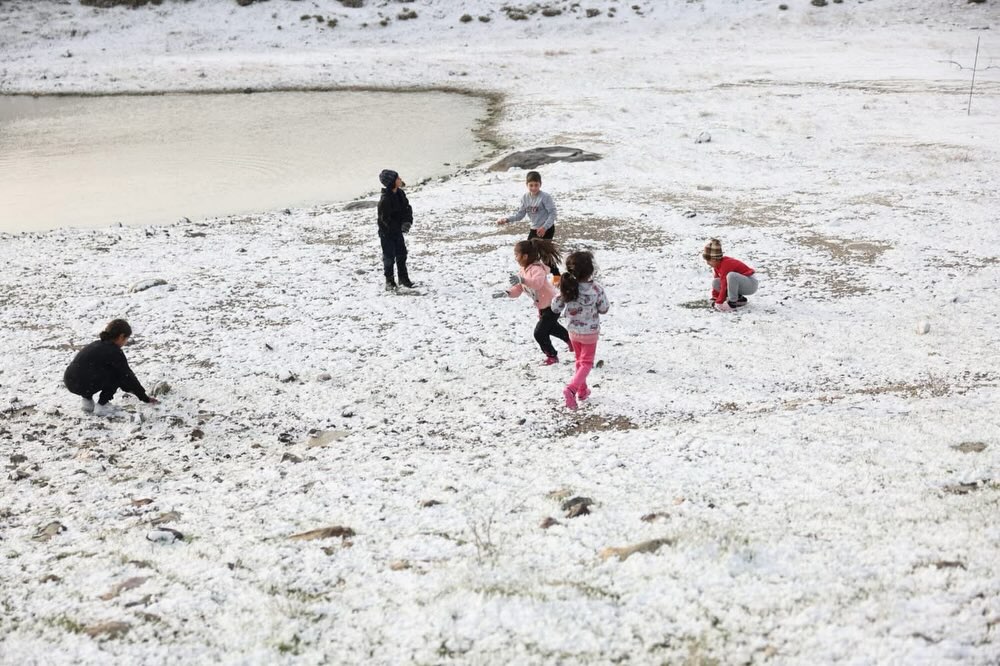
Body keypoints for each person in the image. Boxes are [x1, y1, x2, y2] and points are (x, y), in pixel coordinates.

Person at [493, 239, 572, 365]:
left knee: (539, 333)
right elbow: (518, 289)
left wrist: (523, 280)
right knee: (551, 328)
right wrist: (507, 293)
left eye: (516, 255)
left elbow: (537, 284)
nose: (515, 258)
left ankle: (552, 355)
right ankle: (571, 340)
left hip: (553, 304)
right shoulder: (523, 271)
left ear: (525, 256)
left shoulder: (537, 269)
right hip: (542, 306)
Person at [550, 251, 610, 410]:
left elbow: (555, 308)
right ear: (591, 270)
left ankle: (582, 391)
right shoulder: (596, 289)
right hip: (590, 332)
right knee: (586, 363)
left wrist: (562, 294)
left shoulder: (568, 288)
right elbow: (604, 308)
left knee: (579, 361)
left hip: (573, 332)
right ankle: (571, 389)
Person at [63, 319, 158, 416]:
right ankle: (102, 406)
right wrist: (144, 398)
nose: (125, 343)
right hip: (84, 384)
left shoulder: (96, 344)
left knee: (90, 370)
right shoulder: (114, 351)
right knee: (117, 374)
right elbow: (128, 377)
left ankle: (87, 403)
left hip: (70, 381)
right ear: (121, 336)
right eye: (126, 339)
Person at [496, 170, 560, 279]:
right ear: (527, 185)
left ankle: (557, 276)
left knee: (545, 255)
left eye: (536, 185)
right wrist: (507, 219)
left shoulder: (545, 197)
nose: (534, 188)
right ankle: (529, 274)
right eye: (531, 185)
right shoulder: (525, 198)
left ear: (540, 184)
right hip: (534, 229)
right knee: (528, 253)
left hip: (547, 228)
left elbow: (553, 214)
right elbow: (520, 215)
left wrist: (544, 227)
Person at [377, 168, 414, 291]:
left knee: (402, 254)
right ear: (392, 181)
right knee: (389, 257)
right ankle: (389, 281)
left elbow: (407, 209)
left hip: (398, 231)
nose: (400, 179)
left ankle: (403, 279)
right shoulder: (385, 199)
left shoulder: (400, 194)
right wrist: (397, 228)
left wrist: (407, 222)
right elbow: (385, 220)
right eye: (398, 178)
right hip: (386, 233)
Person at [703, 238, 758, 312]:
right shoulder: (717, 266)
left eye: (708, 260)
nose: (707, 263)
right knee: (716, 282)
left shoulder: (726, 264)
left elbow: (724, 284)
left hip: (751, 284)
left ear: (714, 259)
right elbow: (720, 282)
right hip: (741, 283)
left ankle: (732, 303)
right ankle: (739, 299)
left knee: (731, 276)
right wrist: (715, 298)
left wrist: (719, 302)